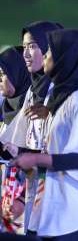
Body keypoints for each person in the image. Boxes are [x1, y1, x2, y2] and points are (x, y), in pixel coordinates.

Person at [12, 29, 78, 240]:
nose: (46, 55)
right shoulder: (63, 98)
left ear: (67, 58)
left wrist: (35, 158)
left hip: (76, 211)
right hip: (59, 207)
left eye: (50, 51)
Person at [5, 21, 63, 232]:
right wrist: (15, 151)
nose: (26, 54)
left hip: (59, 196)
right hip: (34, 191)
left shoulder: (62, 92)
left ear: (51, 49)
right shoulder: (33, 91)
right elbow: (19, 140)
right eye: (25, 47)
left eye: (33, 46)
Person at [0, 46, 31, 233]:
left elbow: (43, 155)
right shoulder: (5, 108)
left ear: (18, 74)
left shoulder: (34, 110)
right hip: (5, 198)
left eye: (3, 74)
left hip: (24, 202)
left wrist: (21, 199)